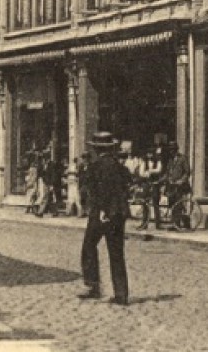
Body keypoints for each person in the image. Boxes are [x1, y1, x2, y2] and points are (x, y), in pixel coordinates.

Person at [79, 131, 131, 306]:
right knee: (116, 253)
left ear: (96, 149)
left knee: (88, 246)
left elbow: (97, 192)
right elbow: (126, 186)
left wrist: (102, 210)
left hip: (101, 214)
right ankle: (121, 293)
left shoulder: (95, 167)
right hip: (119, 214)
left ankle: (93, 285)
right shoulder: (120, 167)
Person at [137, 148, 164, 230]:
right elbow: (141, 173)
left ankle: (158, 224)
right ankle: (144, 223)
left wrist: (150, 171)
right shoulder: (143, 162)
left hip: (155, 184)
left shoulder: (158, 162)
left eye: (151, 154)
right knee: (145, 204)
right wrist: (147, 174)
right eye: (148, 154)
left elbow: (159, 170)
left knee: (156, 204)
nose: (150, 155)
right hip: (146, 185)